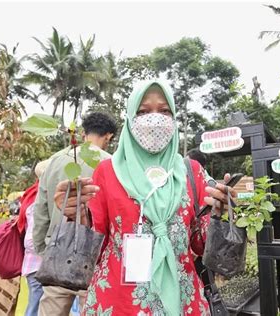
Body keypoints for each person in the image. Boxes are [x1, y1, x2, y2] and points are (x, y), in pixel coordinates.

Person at [53, 80, 236, 316]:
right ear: (130, 118)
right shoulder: (108, 172)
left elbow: (201, 245)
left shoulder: (191, 172)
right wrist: (76, 214)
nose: (154, 119)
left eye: (164, 111)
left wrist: (219, 213)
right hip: (119, 303)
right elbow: (94, 248)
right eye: (143, 111)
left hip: (183, 301)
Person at [33, 112, 117, 316]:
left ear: (84, 133)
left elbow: (41, 210)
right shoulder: (112, 164)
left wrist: (43, 249)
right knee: (94, 307)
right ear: (109, 136)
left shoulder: (55, 161)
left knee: (51, 309)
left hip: (57, 251)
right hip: (95, 255)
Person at [21, 159, 50, 316]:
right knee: (35, 308)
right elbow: (30, 241)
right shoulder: (38, 202)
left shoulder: (32, 195)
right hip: (37, 266)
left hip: (37, 266)